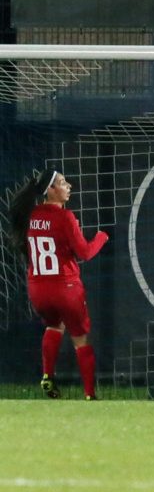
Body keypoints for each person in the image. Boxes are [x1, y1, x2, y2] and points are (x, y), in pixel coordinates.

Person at [8, 168, 109, 400]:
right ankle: (90, 394)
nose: (69, 186)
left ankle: (47, 376)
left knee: (54, 326)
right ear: (50, 190)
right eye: (63, 183)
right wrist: (101, 238)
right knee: (81, 339)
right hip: (66, 288)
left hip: (38, 290)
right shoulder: (65, 217)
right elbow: (84, 252)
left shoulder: (31, 215)